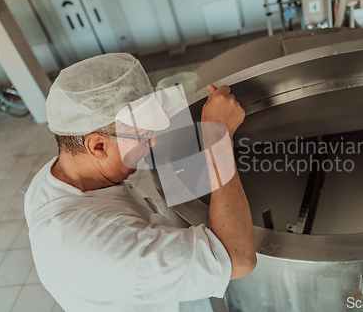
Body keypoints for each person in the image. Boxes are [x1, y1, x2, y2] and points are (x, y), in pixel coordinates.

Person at [24, 53, 256, 312]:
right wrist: (218, 134)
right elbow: (237, 258)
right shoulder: (105, 247)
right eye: (142, 135)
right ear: (98, 145)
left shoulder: (59, 176)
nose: (152, 141)